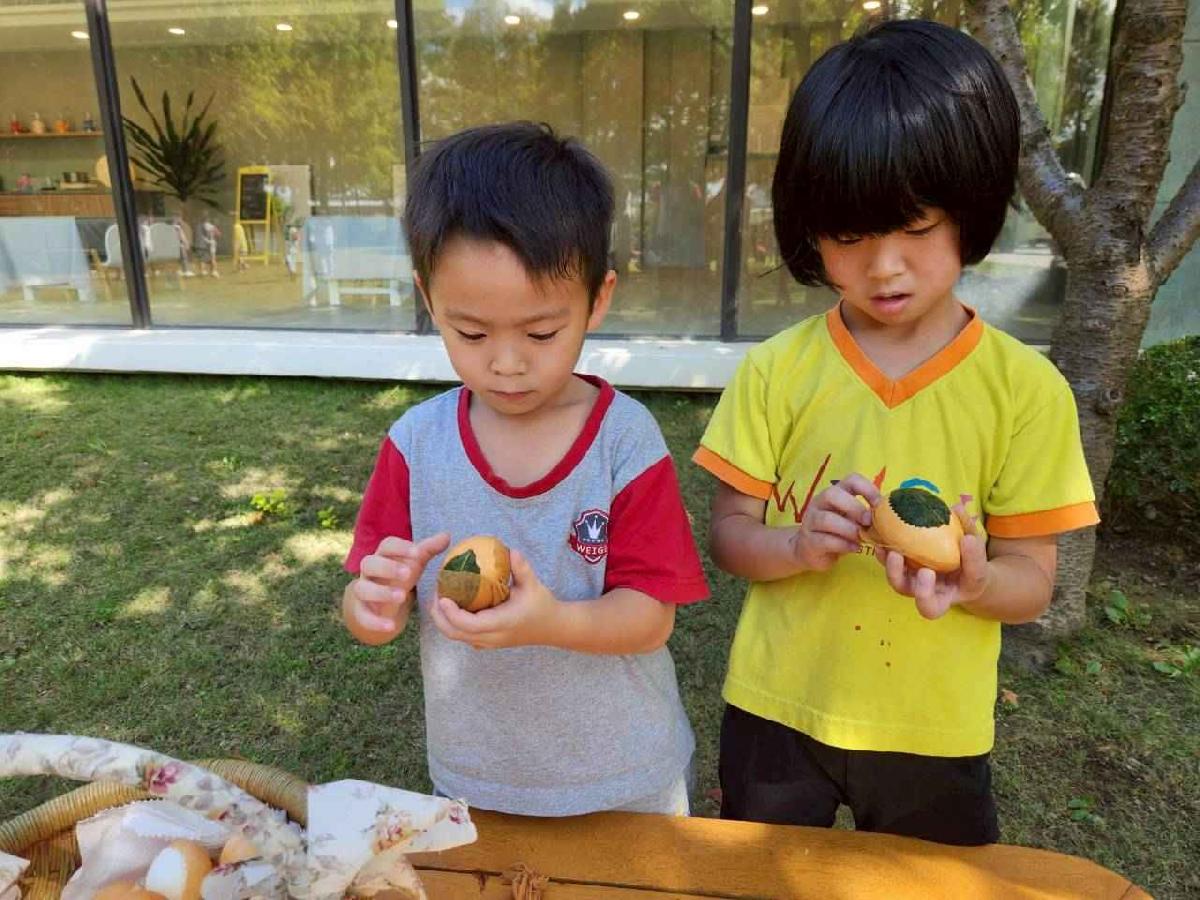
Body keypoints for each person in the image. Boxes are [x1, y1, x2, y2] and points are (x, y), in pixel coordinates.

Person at [693, 20, 1099, 846]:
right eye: (849, 235)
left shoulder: (1027, 392)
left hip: (933, 729)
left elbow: (1032, 584)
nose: (884, 266)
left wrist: (976, 580)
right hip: (777, 709)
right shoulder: (775, 371)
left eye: (916, 228)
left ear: (973, 209)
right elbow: (730, 537)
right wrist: (796, 545)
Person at [342, 122, 709, 817]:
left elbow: (649, 617)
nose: (507, 363)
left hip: (626, 778)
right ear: (428, 299)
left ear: (598, 299)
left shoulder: (625, 440)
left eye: (541, 333)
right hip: (478, 781)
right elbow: (369, 607)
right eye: (471, 332)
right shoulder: (415, 445)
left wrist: (550, 622)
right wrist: (371, 606)